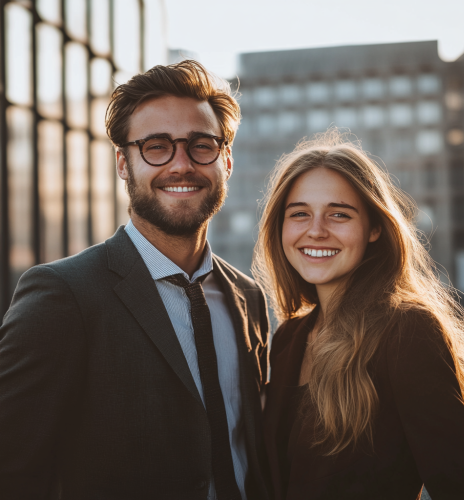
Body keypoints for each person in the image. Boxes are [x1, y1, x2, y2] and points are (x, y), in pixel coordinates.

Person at [0, 60, 271, 500]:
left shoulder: (248, 297)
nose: (181, 164)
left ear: (226, 159)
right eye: (156, 146)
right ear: (124, 163)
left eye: (201, 145)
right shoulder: (61, 295)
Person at [253, 131, 464, 500]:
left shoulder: (406, 330)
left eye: (339, 214)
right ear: (281, 227)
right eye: (299, 213)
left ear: (374, 229)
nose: (316, 231)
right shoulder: (289, 336)